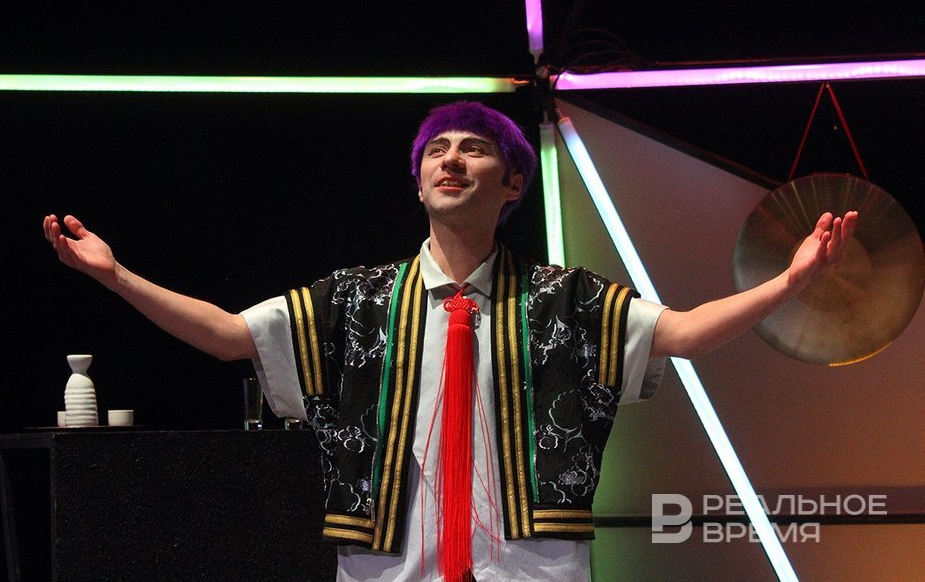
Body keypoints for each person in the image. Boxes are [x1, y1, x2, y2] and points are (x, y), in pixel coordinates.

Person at [43, 101, 858, 581]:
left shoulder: (564, 298)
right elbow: (228, 337)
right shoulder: (356, 299)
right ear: (419, 183)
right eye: (437, 150)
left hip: (529, 573)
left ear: (513, 182)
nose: (451, 160)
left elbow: (682, 334)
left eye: (474, 148)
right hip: (389, 569)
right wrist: (116, 277)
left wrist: (787, 283)